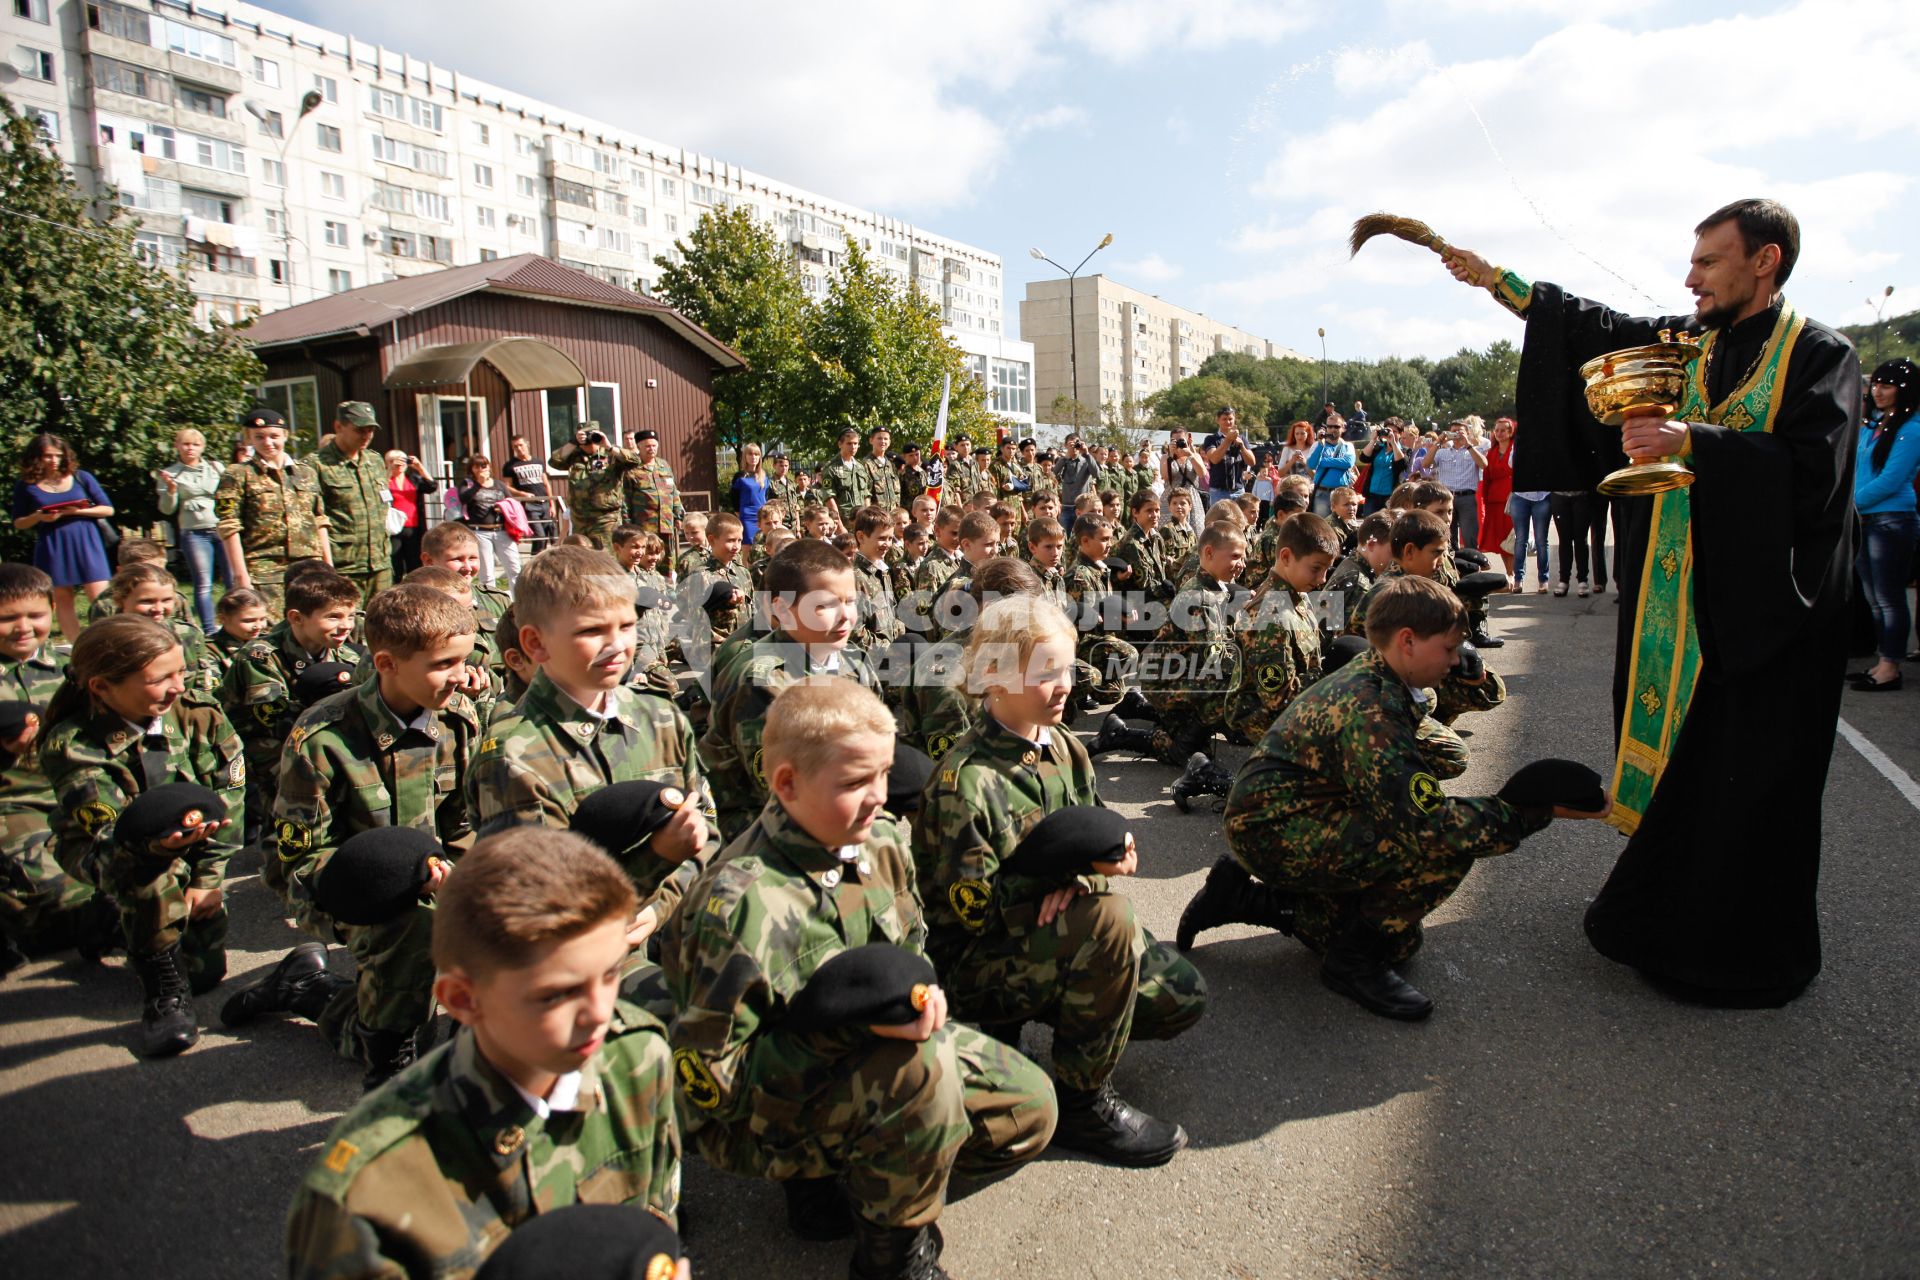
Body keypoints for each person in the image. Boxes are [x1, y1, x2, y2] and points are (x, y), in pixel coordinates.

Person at [1444, 197, 1858, 1006]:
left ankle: (1741, 956)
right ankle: (1657, 922)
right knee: (1687, 771)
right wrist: (1505, 284)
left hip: (1766, 620)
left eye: (1708, 261)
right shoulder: (1694, 343)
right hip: (1678, 602)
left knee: (1749, 781)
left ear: (1764, 260)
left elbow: (1817, 475)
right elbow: (1599, 327)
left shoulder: (1819, 355)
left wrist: (1695, 442)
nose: (1690, 277)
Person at [661, 679, 1049, 1277]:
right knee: (922, 1080)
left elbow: (911, 952)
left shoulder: (884, 841)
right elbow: (713, 1087)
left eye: (883, 775)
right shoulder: (738, 905)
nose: (877, 797)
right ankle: (889, 1251)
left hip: (866, 1060)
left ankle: (866, 1168)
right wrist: (847, 1036)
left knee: (1030, 1111)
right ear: (785, 782)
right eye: (852, 783)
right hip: (760, 1110)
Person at [1183, 576, 1611, 1018]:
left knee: (1401, 941)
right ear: (1407, 641)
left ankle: (1241, 898)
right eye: (1447, 649)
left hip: (1295, 814)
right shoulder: (1372, 710)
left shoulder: (1384, 675)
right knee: (1442, 849)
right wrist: (1530, 813)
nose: (1453, 659)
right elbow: (1430, 828)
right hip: (1272, 830)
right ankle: (1350, 964)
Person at [284, 830, 681, 1280]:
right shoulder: (365, 1190)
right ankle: (306, 989)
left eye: (609, 974)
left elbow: (654, 1213)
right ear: (463, 1000)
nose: (598, 1013)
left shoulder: (637, 1058)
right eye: (556, 995)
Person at [918, 596, 1203, 1167]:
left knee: (1178, 997)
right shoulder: (966, 781)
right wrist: (1052, 884)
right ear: (995, 677)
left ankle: (1044, 1022)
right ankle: (1080, 1100)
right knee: (1111, 923)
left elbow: (1105, 844)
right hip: (977, 960)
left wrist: (1083, 878)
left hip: (1053, 929)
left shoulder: (1066, 748)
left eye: (1068, 668)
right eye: (1045, 672)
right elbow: (969, 915)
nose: (1065, 684)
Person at [242, 585, 482, 1087]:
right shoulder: (324, 738)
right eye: (444, 664)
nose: (461, 678)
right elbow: (298, 859)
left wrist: (473, 882)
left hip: (433, 881)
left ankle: (470, 1034)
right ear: (387, 663)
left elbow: (460, 826)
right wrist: (398, 881)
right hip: (348, 888)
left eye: (463, 661)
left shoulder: (458, 719)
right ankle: (353, 1033)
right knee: (410, 945)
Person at [468, 545, 717, 941]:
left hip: (672, 932)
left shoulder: (662, 717)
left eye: (627, 625)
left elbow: (705, 827)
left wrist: (661, 904)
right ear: (534, 644)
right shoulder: (515, 754)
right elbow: (537, 905)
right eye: (591, 631)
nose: (617, 645)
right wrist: (655, 861)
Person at [40, 615, 245, 1056]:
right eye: (159, 679)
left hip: (189, 843)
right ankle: (164, 996)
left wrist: (209, 880)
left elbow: (231, 794)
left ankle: (110, 919)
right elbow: (114, 835)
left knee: (206, 972)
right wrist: (163, 851)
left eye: (180, 672)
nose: (176, 687)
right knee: (151, 877)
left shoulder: (196, 713)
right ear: (101, 688)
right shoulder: (72, 744)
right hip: (107, 848)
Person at [700, 539, 879, 843]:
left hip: (842, 810)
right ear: (782, 609)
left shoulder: (854, 662)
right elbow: (779, 789)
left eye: (850, 602)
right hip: (767, 832)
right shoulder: (761, 679)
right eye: (823, 605)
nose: (845, 616)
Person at [0, 563, 116, 974]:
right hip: (14, 806)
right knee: (54, 890)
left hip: (74, 797)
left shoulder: (74, 672)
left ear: (54, 608)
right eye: (7, 618)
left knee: (124, 869)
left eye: (34, 615)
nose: (23, 628)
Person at [216, 407, 331, 615]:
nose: (268, 442)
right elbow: (229, 527)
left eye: (274, 436)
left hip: (309, 567)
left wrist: (329, 566)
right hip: (265, 568)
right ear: (249, 438)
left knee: (313, 626)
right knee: (272, 633)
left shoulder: (306, 473)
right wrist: (241, 577)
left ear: (285, 435)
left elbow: (320, 519)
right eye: (259, 437)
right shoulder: (237, 475)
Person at [1849, 357, 1920, 690]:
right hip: (1867, 519)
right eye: (1876, 383)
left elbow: (1892, 479)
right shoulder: (1871, 425)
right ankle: (1883, 660)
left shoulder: (1912, 429)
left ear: (1903, 391)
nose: (1878, 391)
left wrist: (1852, 504)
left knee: (1889, 598)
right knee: (1874, 597)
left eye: (1887, 385)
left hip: (1892, 519)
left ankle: (1890, 666)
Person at [11, 433, 115, 642]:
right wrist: (39, 516)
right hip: (53, 542)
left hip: (87, 540)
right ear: (36, 457)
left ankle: (109, 641)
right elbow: (19, 522)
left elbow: (107, 510)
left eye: (58, 455)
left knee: (101, 597)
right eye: (48, 456)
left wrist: (73, 512)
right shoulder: (26, 484)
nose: (54, 460)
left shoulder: (81, 477)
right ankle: (77, 646)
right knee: (62, 597)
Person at [314, 402, 396, 603]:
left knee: (383, 624)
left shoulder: (374, 461)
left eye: (371, 430)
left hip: (380, 563)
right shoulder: (316, 465)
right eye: (359, 430)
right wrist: (326, 567)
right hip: (343, 566)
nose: (366, 435)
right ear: (338, 427)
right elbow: (315, 518)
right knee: (346, 627)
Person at [155, 428, 228, 634]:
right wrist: (171, 491)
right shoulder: (170, 474)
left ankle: (235, 622)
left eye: (195, 444)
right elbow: (167, 509)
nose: (190, 448)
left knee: (232, 580)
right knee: (203, 583)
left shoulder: (215, 468)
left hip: (221, 527)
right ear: (177, 446)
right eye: (186, 444)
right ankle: (209, 630)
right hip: (194, 532)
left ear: (203, 447)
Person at [550, 423, 642, 550]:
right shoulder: (573, 455)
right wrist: (572, 442)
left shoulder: (611, 455)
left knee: (605, 559)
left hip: (605, 519)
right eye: (583, 435)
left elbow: (635, 460)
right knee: (581, 560)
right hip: (579, 519)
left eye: (590, 434)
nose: (587, 439)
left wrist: (609, 446)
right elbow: (554, 462)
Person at [455, 454, 527, 591]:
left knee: (514, 568)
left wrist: (504, 508)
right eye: (477, 466)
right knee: (487, 572)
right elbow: (463, 498)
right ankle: (492, 603)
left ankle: (517, 601)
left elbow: (511, 502)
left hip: (501, 531)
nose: (482, 468)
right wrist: (479, 485)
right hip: (480, 531)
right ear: (472, 469)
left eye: (484, 465)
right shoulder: (468, 484)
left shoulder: (498, 484)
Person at [1429, 419, 1487, 550]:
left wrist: (1468, 444)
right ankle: (1452, 565)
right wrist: (1438, 442)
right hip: (1445, 497)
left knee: (1469, 535)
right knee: (1447, 535)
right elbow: (1426, 464)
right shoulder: (1442, 451)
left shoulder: (1474, 450)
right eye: (1453, 431)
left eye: (1460, 431)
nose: (1456, 434)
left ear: (1467, 433)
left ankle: (1472, 565)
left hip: (1467, 497)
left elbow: (1484, 465)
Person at [384, 449, 439, 579]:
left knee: (415, 565)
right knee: (395, 564)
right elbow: (379, 489)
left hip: (413, 527)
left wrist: (419, 466)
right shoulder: (385, 479)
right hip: (394, 529)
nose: (399, 463)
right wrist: (389, 471)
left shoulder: (413, 478)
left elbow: (432, 486)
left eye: (402, 460)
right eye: (393, 461)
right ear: (386, 463)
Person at [1549, 486, 1608, 599]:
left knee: (1580, 539)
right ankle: (1564, 580)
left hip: (1582, 495)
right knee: (1564, 539)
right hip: (1559, 495)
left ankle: (1582, 580)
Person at [1479, 416, 1518, 580]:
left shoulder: (1516, 449)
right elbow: (1486, 478)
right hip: (1495, 500)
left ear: (1511, 432)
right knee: (1501, 538)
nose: (1499, 433)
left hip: (1512, 498)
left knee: (1514, 538)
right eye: (1497, 430)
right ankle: (1510, 573)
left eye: (1503, 430)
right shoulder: (1491, 452)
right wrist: (1485, 500)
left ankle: (1517, 572)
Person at [1201, 406, 1256, 508]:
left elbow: (1252, 462)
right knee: (1220, 522)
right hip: (1219, 491)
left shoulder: (1242, 438)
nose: (1228, 422)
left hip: (1239, 490)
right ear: (1218, 420)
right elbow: (1214, 459)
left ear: (1234, 419)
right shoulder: (1211, 439)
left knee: (1240, 522)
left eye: (1230, 419)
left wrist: (1242, 447)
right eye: (1224, 419)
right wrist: (1228, 440)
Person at [1306, 422, 1358, 518]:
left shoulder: (1348, 445)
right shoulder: (1317, 445)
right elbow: (1311, 465)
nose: (1333, 429)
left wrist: (1322, 461)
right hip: (1322, 493)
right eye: (1329, 426)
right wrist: (1321, 445)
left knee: (1345, 524)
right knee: (1322, 526)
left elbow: (1348, 463)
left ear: (1343, 428)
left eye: (1336, 426)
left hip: (1343, 494)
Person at [1359, 419, 1407, 515]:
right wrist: (1373, 440)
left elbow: (1401, 464)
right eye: (1389, 431)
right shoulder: (1379, 448)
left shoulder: (1404, 451)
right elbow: (1363, 458)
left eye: (1395, 432)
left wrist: (1393, 443)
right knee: (1370, 524)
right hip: (1372, 495)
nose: (1391, 434)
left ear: (1401, 433)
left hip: (1390, 496)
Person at [730, 441, 768, 543]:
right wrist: (739, 512)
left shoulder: (764, 475)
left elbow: (767, 496)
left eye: (756, 454)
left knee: (763, 544)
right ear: (745, 456)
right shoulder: (739, 476)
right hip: (747, 516)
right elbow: (734, 497)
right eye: (750, 454)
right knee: (749, 544)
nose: (753, 457)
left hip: (763, 515)